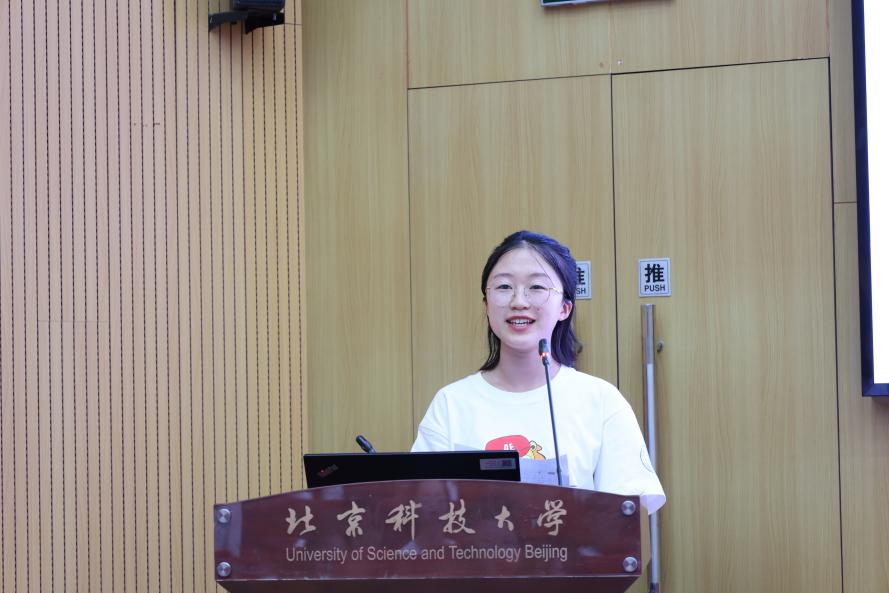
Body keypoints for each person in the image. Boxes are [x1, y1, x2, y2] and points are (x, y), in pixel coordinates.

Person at [411, 230, 666, 514]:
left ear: (564, 308)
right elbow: (423, 510)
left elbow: (629, 514)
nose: (519, 301)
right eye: (504, 286)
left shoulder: (601, 400)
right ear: (486, 304)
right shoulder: (451, 404)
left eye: (536, 287)